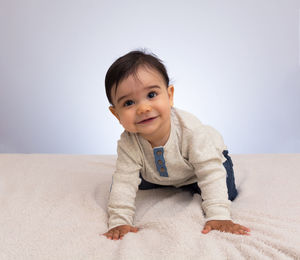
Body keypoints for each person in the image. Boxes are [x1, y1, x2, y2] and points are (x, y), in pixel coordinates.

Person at [102, 50, 251, 240]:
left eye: (152, 94)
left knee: (225, 191)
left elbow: (210, 170)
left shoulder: (191, 131)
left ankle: (191, 185)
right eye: (129, 103)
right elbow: (124, 181)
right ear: (117, 114)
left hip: (206, 162)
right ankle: (175, 183)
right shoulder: (128, 143)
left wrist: (219, 216)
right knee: (121, 183)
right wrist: (119, 221)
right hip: (160, 171)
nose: (143, 108)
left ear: (169, 95)